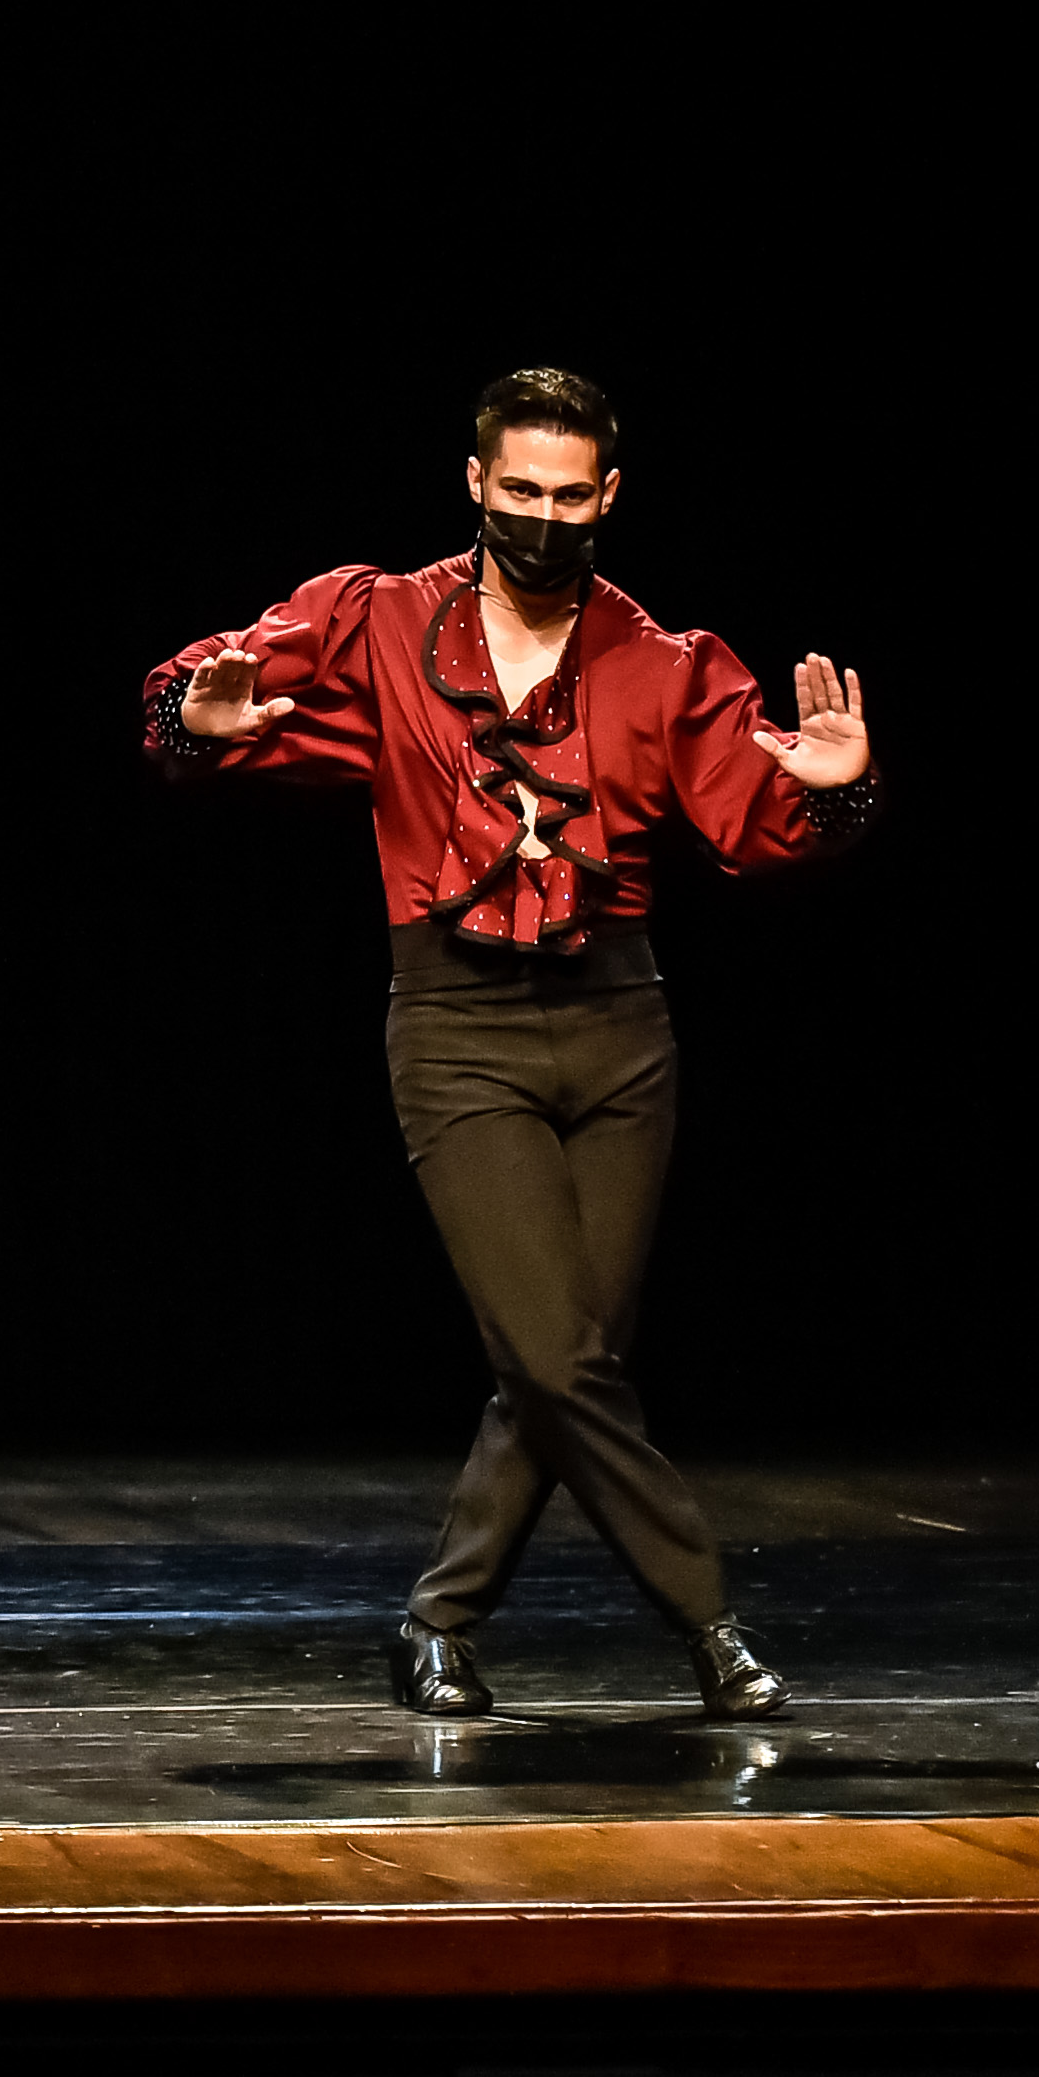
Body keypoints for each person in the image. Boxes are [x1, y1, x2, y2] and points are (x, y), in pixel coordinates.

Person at [143, 364, 875, 1722]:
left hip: (621, 1028)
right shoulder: (374, 618)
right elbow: (200, 699)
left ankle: (439, 1618)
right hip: (457, 1024)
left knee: (567, 1355)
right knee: (551, 1355)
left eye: (569, 494)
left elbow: (755, 826)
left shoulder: (665, 662)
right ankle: (710, 1623)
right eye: (519, 489)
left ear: (607, 496)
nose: (542, 516)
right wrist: (196, 720)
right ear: (475, 482)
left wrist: (834, 792)